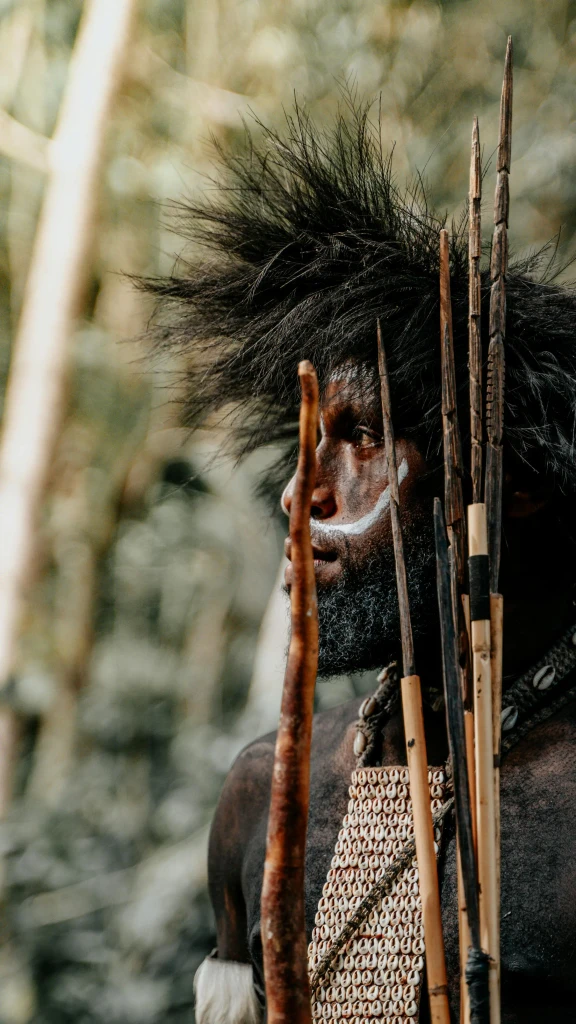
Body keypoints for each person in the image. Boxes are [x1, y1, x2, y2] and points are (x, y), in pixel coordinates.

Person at [146, 105, 576, 1022]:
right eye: (312, 442)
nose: (299, 494)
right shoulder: (265, 790)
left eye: (366, 438)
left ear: (519, 479)